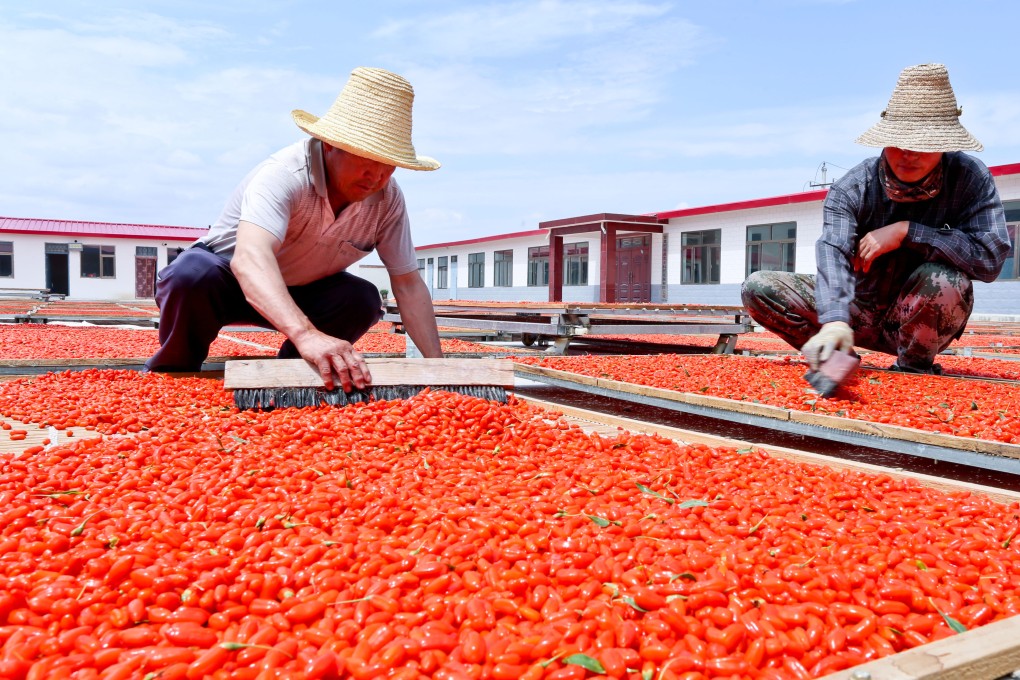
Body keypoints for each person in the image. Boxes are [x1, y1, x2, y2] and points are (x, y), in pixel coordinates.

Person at [145, 67, 443, 391]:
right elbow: (249, 259)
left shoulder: (387, 199)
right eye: (366, 161)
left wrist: (439, 369)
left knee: (362, 298)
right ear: (330, 144)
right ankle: (174, 374)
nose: (376, 177)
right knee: (192, 274)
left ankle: (296, 377)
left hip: (303, 292)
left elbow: (408, 285)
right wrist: (306, 334)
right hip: (224, 284)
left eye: (388, 167)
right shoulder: (286, 174)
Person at [741, 63, 1010, 376]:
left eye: (923, 144)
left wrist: (909, 233)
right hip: (858, 310)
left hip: (921, 320)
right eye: (899, 141)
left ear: (945, 144)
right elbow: (833, 253)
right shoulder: (852, 188)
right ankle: (837, 356)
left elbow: (990, 258)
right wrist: (834, 320)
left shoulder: (969, 179)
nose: (909, 153)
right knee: (758, 287)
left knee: (944, 279)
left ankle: (912, 369)